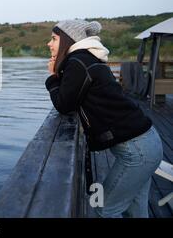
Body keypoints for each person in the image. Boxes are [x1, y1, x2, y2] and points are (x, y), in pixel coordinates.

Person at [45, 19, 163, 218]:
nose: (49, 43)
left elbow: (64, 105)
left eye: (54, 38)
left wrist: (53, 77)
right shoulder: (88, 59)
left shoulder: (78, 62)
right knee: (135, 210)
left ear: (68, 40)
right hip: (147, 143)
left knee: (103, 208)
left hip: (138, 152)